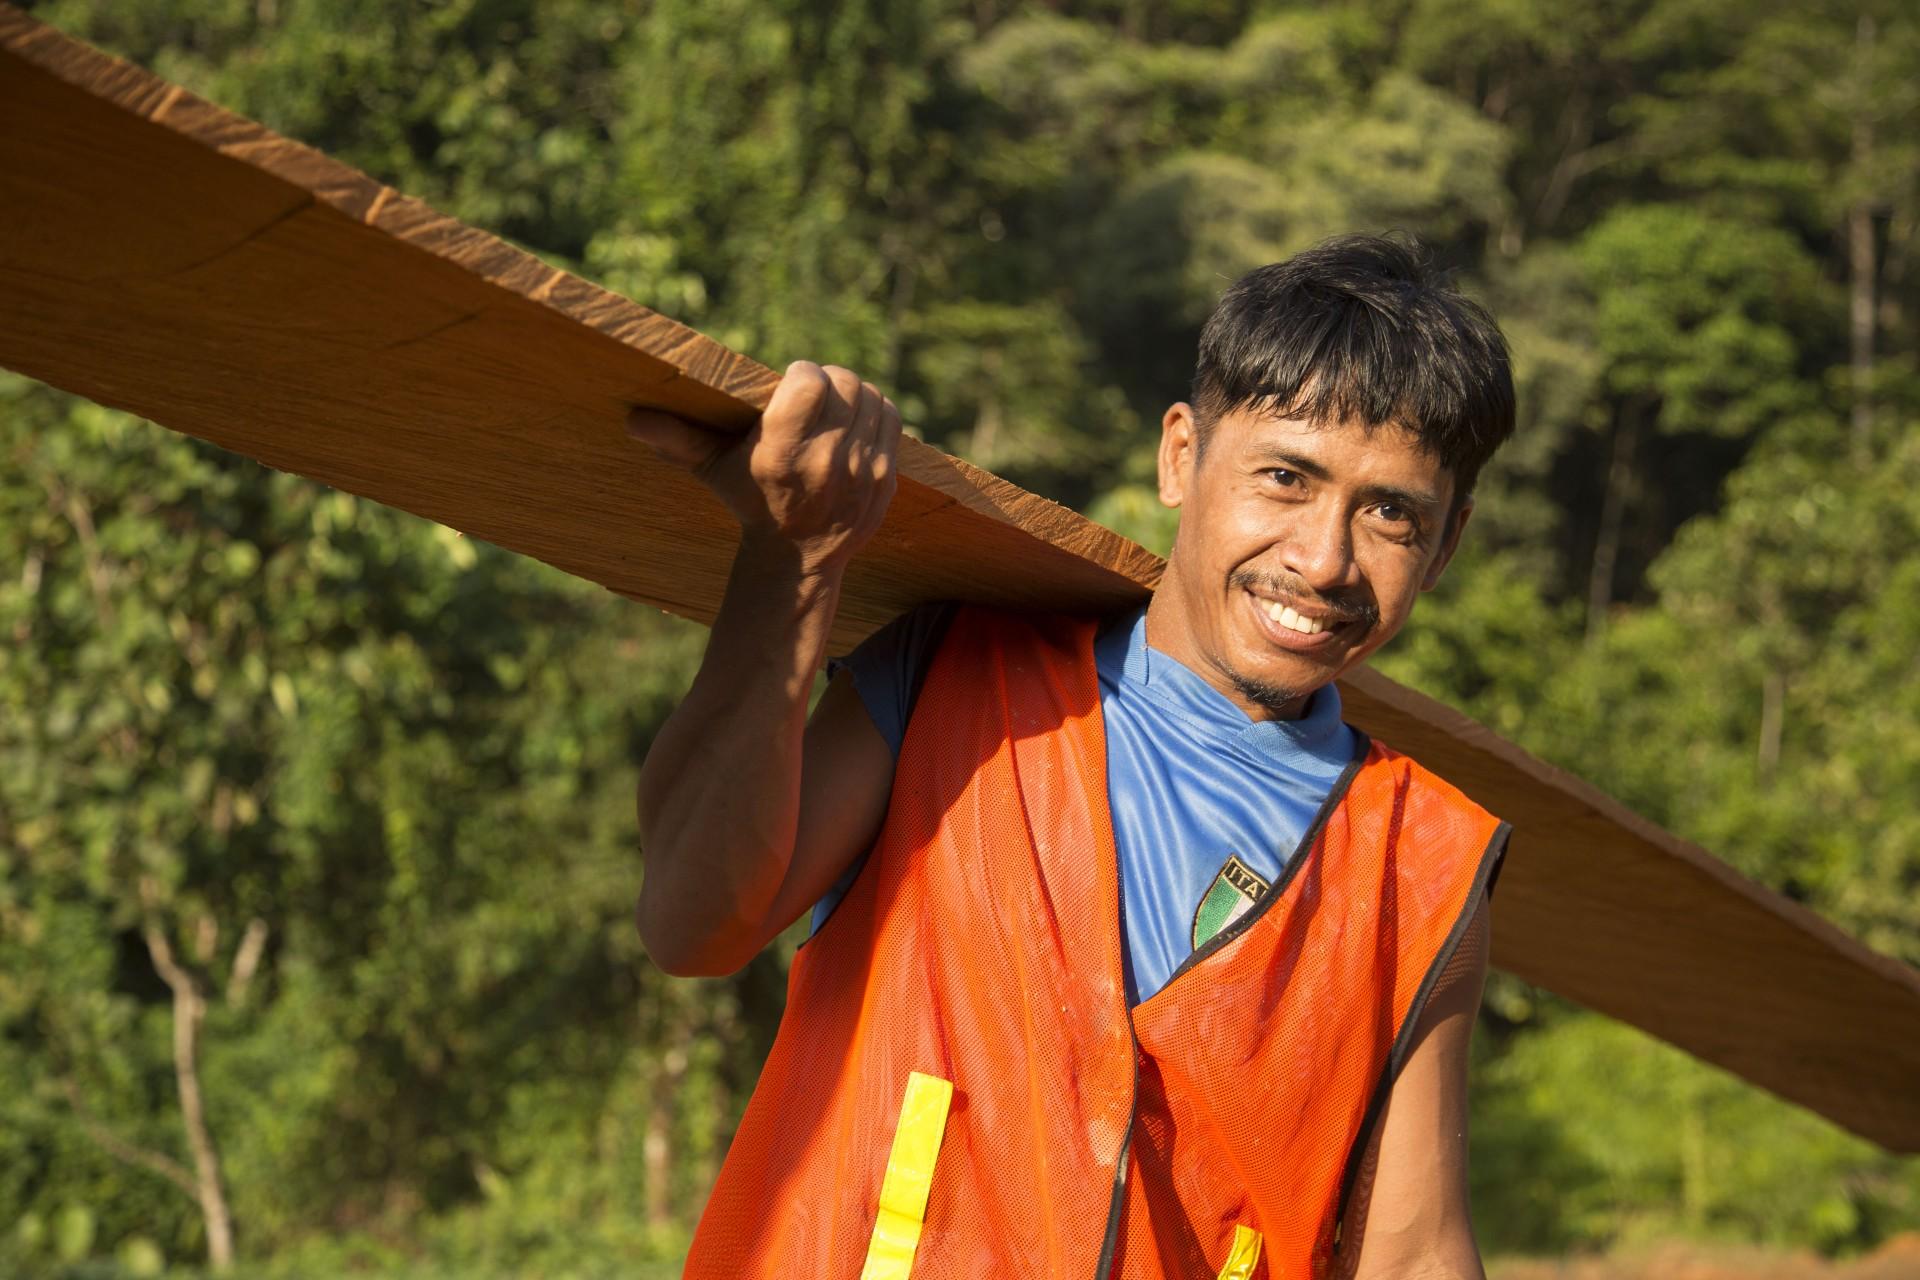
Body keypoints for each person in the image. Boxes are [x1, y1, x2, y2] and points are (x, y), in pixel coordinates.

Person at [629, 234, 1516, 1280]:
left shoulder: (1422, 866)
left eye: (1390, 516)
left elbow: (1412, 1254)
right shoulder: (958, 685)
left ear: (1446, 544)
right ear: (1181, 455)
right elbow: (692, 921)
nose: (1322, 559)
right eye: (1284, 477)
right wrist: (791, 561)